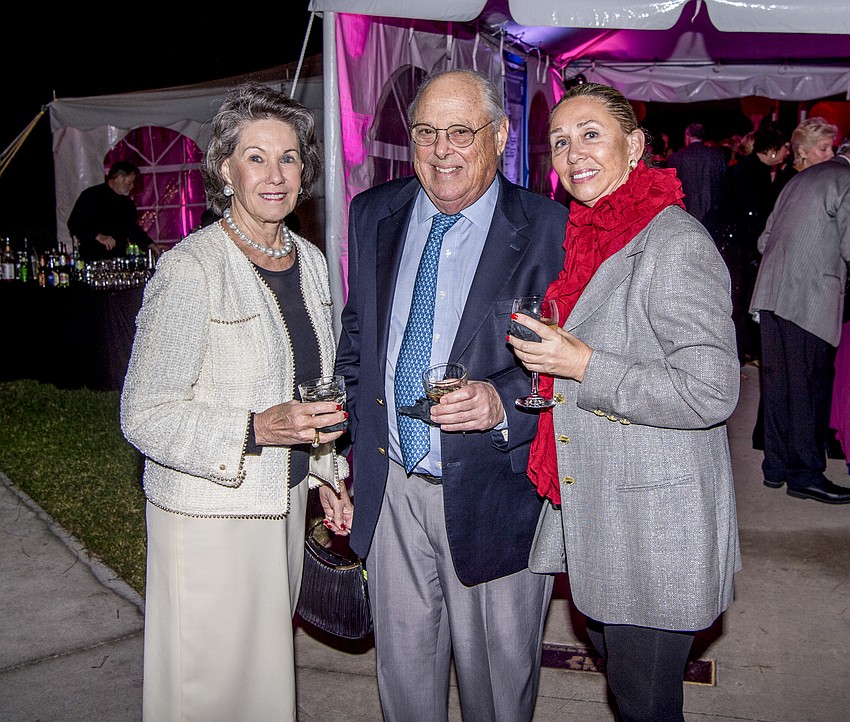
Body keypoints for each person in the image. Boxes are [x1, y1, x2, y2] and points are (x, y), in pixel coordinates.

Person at [333, 68, 568, 721]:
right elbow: (359, 341)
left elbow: (576, 360)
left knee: (497, 693)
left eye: (461, 132)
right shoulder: (373, 213)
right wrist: (345, 454)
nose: (441, 151)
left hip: (495, 494)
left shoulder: (549, 227)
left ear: (500, 135)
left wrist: (503, 403)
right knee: (404, 683)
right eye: (426, 132)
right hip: (393, 490)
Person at [508, 82, 741, 721]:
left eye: (591, 135)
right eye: (560, 141)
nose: (573, 154)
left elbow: (711, 390)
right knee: (628, 687)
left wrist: (582, 365)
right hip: (608, 509)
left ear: (634, 146)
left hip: (656, 522)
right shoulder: (590, 237)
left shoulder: (673, 242)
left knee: (644, 702)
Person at [120, 82, 351, 721]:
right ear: (225, 169)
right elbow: (144, 414)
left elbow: (312, 386)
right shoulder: (191, 269)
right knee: (210, 692)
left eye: (289, 158)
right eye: (256, 157)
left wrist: (328, 474)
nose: (275, 175)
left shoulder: (308, 260)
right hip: (210, 517)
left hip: (284, 505)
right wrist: (255, 428)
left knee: (264, 687)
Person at [748, 136, 850, 504]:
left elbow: (764, 240)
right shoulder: (845, 180)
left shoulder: (798, 179)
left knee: (779, 388)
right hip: (810, 297)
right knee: (809, 389)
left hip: (771, 295)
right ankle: (806, 475)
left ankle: (775, 468)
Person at [716, 120, 789, 366]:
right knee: (738, 301)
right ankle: (735, 359)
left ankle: (738, 355)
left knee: (737, 300)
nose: (787, 152)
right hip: (737, 246)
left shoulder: (748, 167)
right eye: (784, 147)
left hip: (733, 242)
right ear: (773, 149)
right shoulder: (755, 172)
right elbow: (753, 214)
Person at [68, 160, 168, 262]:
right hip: (92, 259)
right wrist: (97, 236)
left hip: (118, 259)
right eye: (130, 182)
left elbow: (132, 230)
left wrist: (150, 244)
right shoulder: (91, 195)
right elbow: (74, 223)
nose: (132, 186)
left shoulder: (127, 203)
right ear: (119, 178)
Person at [667, 121, 727, 233]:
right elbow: (724, 184)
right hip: (713, 214)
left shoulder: (677, 157)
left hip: (686, 215)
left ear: (688, 135)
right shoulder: (717, 155)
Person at [774, 116, 837, 193]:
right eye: (823, 149)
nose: (832, 155)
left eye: (832, 148)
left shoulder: (815, 177)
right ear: (802, 152)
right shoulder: (791, 184)